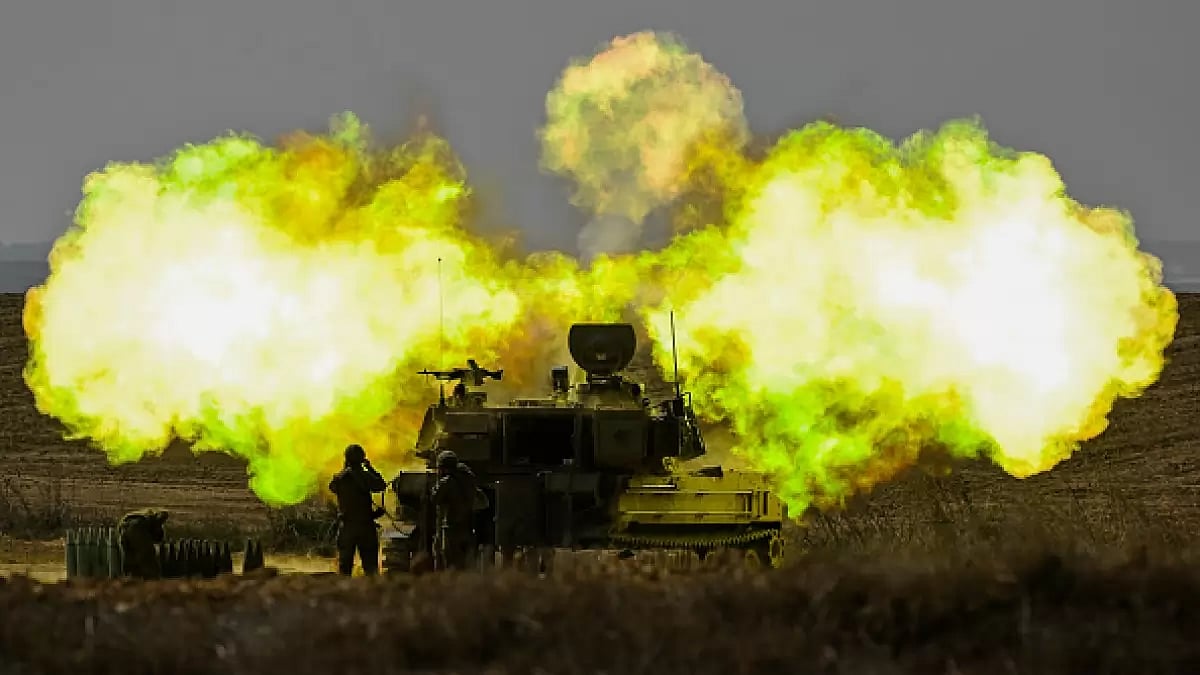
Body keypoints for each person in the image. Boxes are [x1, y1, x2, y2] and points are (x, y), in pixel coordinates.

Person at [328, 444, 388, 576]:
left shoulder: (339, 478)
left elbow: (333, 488)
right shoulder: (365, 476)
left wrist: (345, 468)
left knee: (344, 568)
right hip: (365, 526)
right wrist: (369, 468)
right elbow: (381, 485)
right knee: (371, 567)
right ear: (362, 458)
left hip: (347, 526)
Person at [430, 450, 479, 571]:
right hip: (467, 527)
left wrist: (436, 484)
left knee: (451, 564)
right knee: (464, 565)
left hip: (451, 528)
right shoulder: (468, 479)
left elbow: (435, 498)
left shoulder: (447, 482)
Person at [117, 508, 169, 579]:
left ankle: (131, 577)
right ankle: (151, 580)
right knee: (148, 557)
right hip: (136, 527)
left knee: (130, 558)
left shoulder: (145, 517)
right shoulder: (151, 521)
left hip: (124, 527)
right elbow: (147, 552)